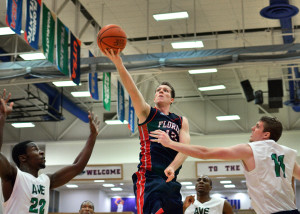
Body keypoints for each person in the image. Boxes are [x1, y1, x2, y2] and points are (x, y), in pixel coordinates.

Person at [150, 116, 300, 214]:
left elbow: (204, 153)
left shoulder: (250, 149)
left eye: (257, 126)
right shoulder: (288, 153)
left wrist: (170, 143)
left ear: (266, 134)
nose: (252, 129)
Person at [104, 49, 191, 214]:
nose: (161, 91)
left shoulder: (180, 121)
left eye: (165, 90)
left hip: (170, 179)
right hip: (149, 177)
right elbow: (132, 90)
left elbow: (185, 149)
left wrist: (172, 167)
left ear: (171, 99)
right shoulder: (147, 113)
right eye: (158, 90)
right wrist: (119, 64)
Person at [0, 89, 100, 214]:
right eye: (35, 150)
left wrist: (93, 136)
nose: (41, 152)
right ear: (23, 158)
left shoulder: (46, 180)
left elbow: (77, 167)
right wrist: (2, 118)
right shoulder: (14, 176)